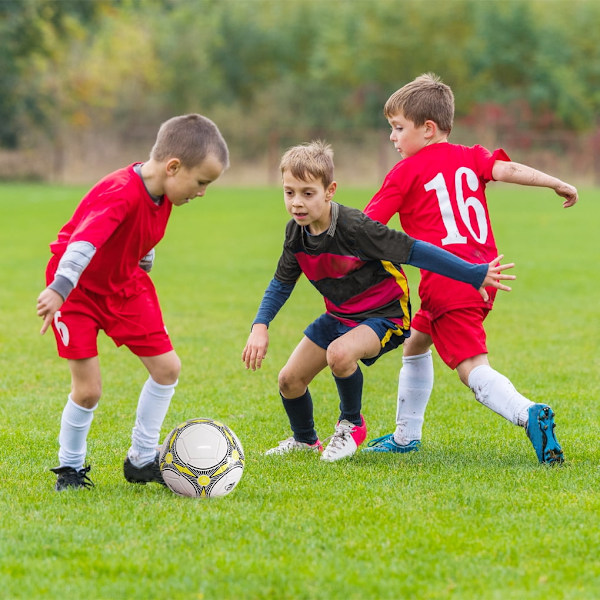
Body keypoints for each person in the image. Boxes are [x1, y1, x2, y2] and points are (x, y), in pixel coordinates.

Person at [242, 140, 515, 462]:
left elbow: (416, 250)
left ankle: (351, 424)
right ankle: (305, 440)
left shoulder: (356, 228)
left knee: (339, 354)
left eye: (307, 193)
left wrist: (472, 272)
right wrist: (260, 325)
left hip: (385, 315)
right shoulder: (296, 234)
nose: (297, 203)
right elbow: (281, 282)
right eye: (289, 193)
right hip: (341, 315)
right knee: (289, 380)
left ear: (330, 191)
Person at [362, 73, 578, 464]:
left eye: (397, 128)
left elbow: (367, 227)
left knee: (472, 369)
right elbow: (509, 171)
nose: (392, 137)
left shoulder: (404, 173)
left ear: (427, 129)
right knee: (416, 342)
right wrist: (556, 183)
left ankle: (527, 413)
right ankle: (406, 435)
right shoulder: (470, 155)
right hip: (484, 273)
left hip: (449, 280)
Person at [36, 114, 229, 490]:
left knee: (167, 368)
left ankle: (141, 459)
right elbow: (84, 243)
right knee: (88, 389)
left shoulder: (163, 192)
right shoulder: (120, 190)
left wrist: (144, 257)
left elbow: (140, 232)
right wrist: (60, 289)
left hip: (125, 285)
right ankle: (70, 469)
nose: (202, 191)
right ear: (173, 167)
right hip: (77, 290)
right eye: (201, 182)